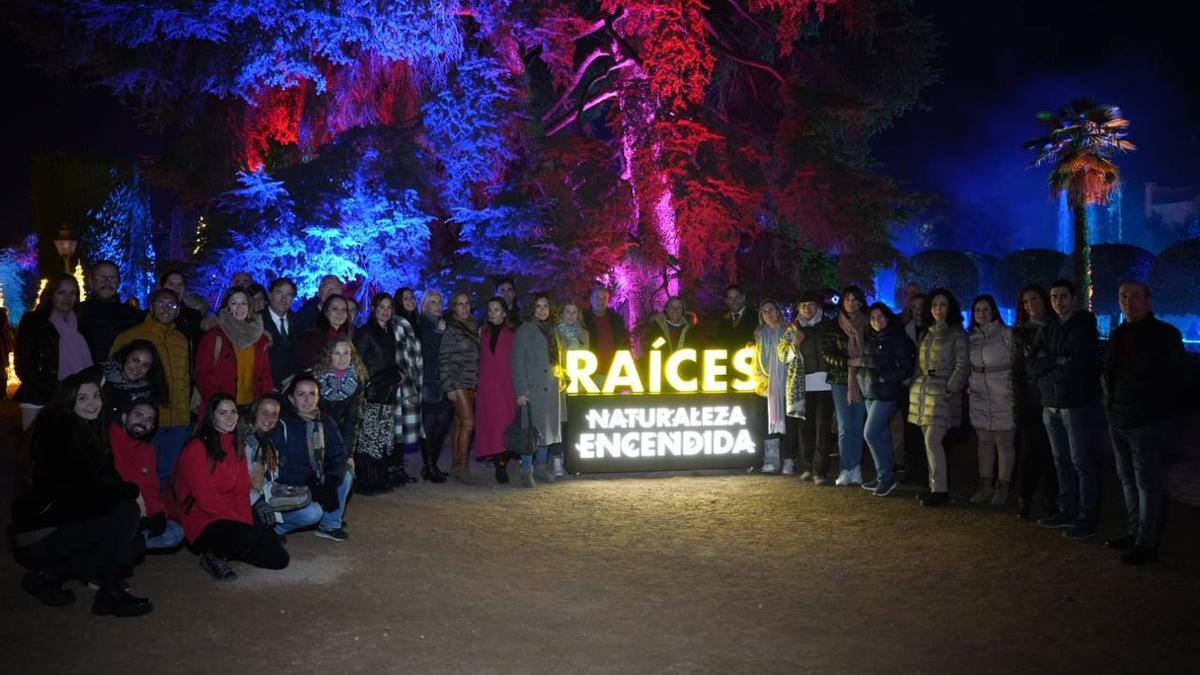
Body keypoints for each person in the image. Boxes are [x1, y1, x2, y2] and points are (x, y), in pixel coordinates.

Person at [10, 371, 153, 616]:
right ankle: (109, 593)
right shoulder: (57, 431)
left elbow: (106, 480)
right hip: (39, 533)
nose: (92, 403)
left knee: (133, 537)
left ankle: (48, 575)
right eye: (82, 398)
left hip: (63, 521)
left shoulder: (88, 428)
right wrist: (134, 493)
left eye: (96, 396)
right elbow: (91, 484)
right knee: (125, 515)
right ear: (68, 401)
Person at [1102, 282, 1185, 565]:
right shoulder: (1118, 333)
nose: (1129, 301)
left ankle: (1146, 543)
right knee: (1129, 481)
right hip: (1119, 419)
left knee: (1146, 485)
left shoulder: (1164, 335)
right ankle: (1135, 532)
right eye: (1123, 296)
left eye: (1136, 296)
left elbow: (1172, 381)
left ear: (1148, 300)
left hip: (1146, 423)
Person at [171, 394, 289, 580]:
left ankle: (233, 548)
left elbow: (241, 491)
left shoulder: (236, 446)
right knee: (253, 531)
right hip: (203, 518)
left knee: (279, 559)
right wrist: (241, 523)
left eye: (233, 412)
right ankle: (213, 555)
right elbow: (205, 498)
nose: (230, 418)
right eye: (222, 413)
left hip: (230, 513)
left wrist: (244, 520)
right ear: (212, 416)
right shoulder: (196, 447)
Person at [1028, 280, 1102, 540]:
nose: (1058, 301)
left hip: (1076, 404)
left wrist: (1048, 364)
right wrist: (1057, 361)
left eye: (1063, 296)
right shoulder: (1048, 326)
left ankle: (1086, 517)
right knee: (1061, 462)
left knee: (1081, 462)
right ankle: (1066, 510)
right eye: (1053, 296)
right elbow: (1031, 363)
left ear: (1074, 299)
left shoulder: (1084, 326)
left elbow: (1080, 363)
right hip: (1051, 403)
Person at [111, 287, 192, 486]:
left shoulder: (180, 339)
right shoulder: (133, 335)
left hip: (179, 419)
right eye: (161, 304)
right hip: (148, 420)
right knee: (144, 471)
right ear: (151, 308)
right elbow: (112, 369)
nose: (166, 309)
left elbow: (185, 377)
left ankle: (161, 512)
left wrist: (187, 412)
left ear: (178, 310)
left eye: (172, 305)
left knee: (171, 472)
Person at [270, 375, 353, 541]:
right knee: (312, 514)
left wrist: (331, 481)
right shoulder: (282, 425)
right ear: (291, 399)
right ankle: (275, 529)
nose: (308, 400)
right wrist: (311, 481)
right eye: (301, 394)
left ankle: (329, 524)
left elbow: (338, 453)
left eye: (312, 394)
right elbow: (275, 469)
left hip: (315, 478)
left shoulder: (325, 421)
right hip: (289, 486)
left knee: (346, 473)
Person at [907, 288, 968, 507]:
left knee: (933, 441)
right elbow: (919, 364)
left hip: (942, 393)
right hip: (923, 393)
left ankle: (940, 489)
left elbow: (962, 365)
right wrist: (915, 384)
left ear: (950, 307)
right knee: (928, 442)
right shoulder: (927, 332)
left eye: (943, 305)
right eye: (934, 305)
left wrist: (950, 388)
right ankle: (934, 487)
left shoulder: (957, 333)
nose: (938, 309)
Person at [15, 274, 93, 429]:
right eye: (61, 292)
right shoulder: (34, 321)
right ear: (50, 294)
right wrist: (55, 389)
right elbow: (23, 364)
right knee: (38, 447)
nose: (68, 298)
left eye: (73, 293)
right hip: (39, 398)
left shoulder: (80, 324)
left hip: (72, 397)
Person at [109, 400, 185, 550]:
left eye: (149, 420)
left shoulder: (147, 450)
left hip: (139, 515)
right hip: (113, 510)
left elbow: (151, 487)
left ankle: (130, 541)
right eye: (138, 415)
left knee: (175, 533)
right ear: (124, 418)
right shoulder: (109, 440)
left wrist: (157, 512)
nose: (143, 422)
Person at [1011, 285, 1059, 520]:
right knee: (1030, 451)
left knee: (1052, 452)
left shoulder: (1056, 327)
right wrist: (1017, 404)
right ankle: (1025, 497)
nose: (1031, 305)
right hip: (1030, 401)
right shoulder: (1021, 333)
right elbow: (1017, 372)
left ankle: (1051, 498)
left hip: (1053, 397)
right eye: (1026, 302)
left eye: (1035, 300)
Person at [857, 302, 915, 497]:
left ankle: (886, 478)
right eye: (873, 318)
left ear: (888, 318)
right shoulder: (870, 337)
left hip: (887, 393)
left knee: (871, 433)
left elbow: (906, 367)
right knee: (880, 435)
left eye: (880, 317)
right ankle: (883, 476)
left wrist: (885, 377)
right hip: (869, 391)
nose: (876, 321)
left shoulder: (897, 338)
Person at [779, 290, 834, 484]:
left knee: (822, 427)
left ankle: (820, 470)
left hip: (827, 384)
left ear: (817, 306)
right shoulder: (792, 329)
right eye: (803, 305)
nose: (807, 309)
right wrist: (794, 346)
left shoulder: (829, 325)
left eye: (810, 304)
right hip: (802, 385)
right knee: (805, 428)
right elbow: (782, 355)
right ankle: (807, 467)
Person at [966, 294, 1017, 506]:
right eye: (977, 310)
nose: (982, 314)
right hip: (978, 395)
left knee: (1004, 443)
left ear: (994, 311)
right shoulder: (970, 337)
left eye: (986, 309)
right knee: (984, 443)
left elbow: (1017, 363)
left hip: (1003, 395)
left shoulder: (1006, 333)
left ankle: (1003, 487)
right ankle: (985, 486)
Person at [194, 288, 274, 420]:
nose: (239, 308)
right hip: (222, 409)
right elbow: (202, 374)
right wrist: (218, 404)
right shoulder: (214, 335)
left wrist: (266, 402)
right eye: (234, 303)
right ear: (226, 306)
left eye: (243, 303)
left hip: (251, 409)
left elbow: (265, 374)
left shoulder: (259, 338)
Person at [353, 293, 404, 494]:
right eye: (381, 306)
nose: (385, 310)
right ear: (373, 308)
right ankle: (367, 482)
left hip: (388, 392)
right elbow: (359, 364)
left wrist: (397, 373)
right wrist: (364, 390)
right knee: (368, 441)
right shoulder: (366, 332)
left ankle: (379, 478)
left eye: (389, 307)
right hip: (372, 394)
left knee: (382, 438)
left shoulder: (389, 331)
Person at [512, 293, 563, 485]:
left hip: (550, 385)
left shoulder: (551, 329)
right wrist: (521, 390)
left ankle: (541, 467)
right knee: (530, 430)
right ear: (531, 309)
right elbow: (517, 361)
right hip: (533, 388)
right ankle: (526, 469)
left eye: (546, 307)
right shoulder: (525, 330)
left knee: (547, 430)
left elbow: (556, 358)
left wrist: (561, 375)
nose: (542, 310)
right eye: (538, 307)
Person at [823, 286, 869, 487]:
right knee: (844, 426)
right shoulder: (834, 325)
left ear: (860, 302)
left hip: (864, 380)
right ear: (842, 302)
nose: (851, 302)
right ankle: (845, 468)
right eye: (847, 299)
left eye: (855, 299)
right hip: (840, 380)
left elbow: (874, 349)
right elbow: (827, 352)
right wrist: (848, 362)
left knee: (858, 426)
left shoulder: (868, 324)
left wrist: (863, 361)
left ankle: (856, 468)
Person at [313, 337, 368, 485]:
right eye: (337, 353)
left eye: (346, 353)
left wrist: (349, 454)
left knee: (342, 479)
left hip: (342, 436)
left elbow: (353, 419)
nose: (342, 358)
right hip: (317, 437)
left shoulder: (357, 380)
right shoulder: (315, 379)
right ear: (328, 355)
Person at [440, 292, 482, 484]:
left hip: (470, 382)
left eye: (467, 304)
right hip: (457, 382)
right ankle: (463, 467)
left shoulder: (472, 326)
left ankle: (457, 465)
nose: (464, 308)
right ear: (454, 307)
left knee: (459, 424)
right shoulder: (452, 329)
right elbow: (444, 359)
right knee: (468, 423)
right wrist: (448, 386)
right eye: (460, 304)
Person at [476, 297, 518, 483]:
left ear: (504, 313)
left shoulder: (512, 335)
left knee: (504, 425)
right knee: (490, 425)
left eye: (497, 309)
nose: (493, 313)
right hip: (486, 385)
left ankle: (502, 466)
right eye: (490, 309)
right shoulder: (482, 333)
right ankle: (495, 460)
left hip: (505, 386)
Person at [77, 260, 143, 365]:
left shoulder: (133, 315)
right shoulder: (78, 313)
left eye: (112, 278)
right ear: (91, 281)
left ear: (118, 282)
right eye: (102, 277)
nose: (107, 282)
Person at [391, 288, 425, 484]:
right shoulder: (399, 323)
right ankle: (395, 470)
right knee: (398, 430)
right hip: (404, 387)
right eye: (406, 298)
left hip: (412, 383)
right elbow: (402, 360)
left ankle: (398, 469)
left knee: (401, 430)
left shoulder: (412, 323)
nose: (411, 300)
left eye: (412, 297)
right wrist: (410, 390)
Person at [417, 289, 450, 483]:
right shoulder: (422, 324)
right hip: (428, 381)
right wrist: (439, 334)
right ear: (425, 305)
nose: (437, 306)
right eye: (433, 302)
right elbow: (426, 352)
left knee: (442, 425)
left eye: (439, 302)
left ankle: (432, 464)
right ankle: (429, 466)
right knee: (429, 426)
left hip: (442, 381)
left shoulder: (441, 324)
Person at [755, 300, 789, 473]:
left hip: (785, 383)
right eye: (764, 311)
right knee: (767, 421)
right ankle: (771, 459)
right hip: (766, 385)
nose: (768, 313)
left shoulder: (788, 331)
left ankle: (789, 459)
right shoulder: (760, 334)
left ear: (778, 312)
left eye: (771, 310)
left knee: (788, 423)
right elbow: (757, 361)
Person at [101, 339, 167, 420]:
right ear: (126, 356)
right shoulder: (101, 376)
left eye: (145, 365)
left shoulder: (148, 392)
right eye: (135, 360)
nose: (138, 368)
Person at [296, 293, 353, 372]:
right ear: (326, 312)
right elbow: (307, 365)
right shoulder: (311, 337)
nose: (339, 313)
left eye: (344, 310)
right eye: (335, 309)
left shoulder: (349, 336)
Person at [261, 277, 299, 391]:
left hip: (291, 387)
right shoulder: (256, 321)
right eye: (279, 293)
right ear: (269, 295)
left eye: (289, 295)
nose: (284, 299)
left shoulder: (298, 322)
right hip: (265, 387)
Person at [583, 284, 628, 373]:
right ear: (591, 300)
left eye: (604, 297)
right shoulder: (583, 320)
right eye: (597, 297)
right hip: (591, 371)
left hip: (614, 371)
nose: (601, 301)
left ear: (608, 300)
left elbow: (623, 342)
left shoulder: (616, 319)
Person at [159, 269, 203, 353]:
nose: (176, 288)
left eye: (180, 284)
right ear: (162, 287)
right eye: (171, 284)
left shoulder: (193, 316)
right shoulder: (152, 315)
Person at [714, 284, 758, 351]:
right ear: (726, 301)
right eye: (730, 298)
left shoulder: (756, 317)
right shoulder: (722, 320)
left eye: (737, 297)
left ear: (743, 298)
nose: (734, 301)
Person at [1, 306, 14, 398]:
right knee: (2, 373)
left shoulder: (6, 332)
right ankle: (2, 393)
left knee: (2, 373)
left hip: (2, 355)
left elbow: (9, 346)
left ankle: (2, 393)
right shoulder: (5, 332)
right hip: (2, 355)